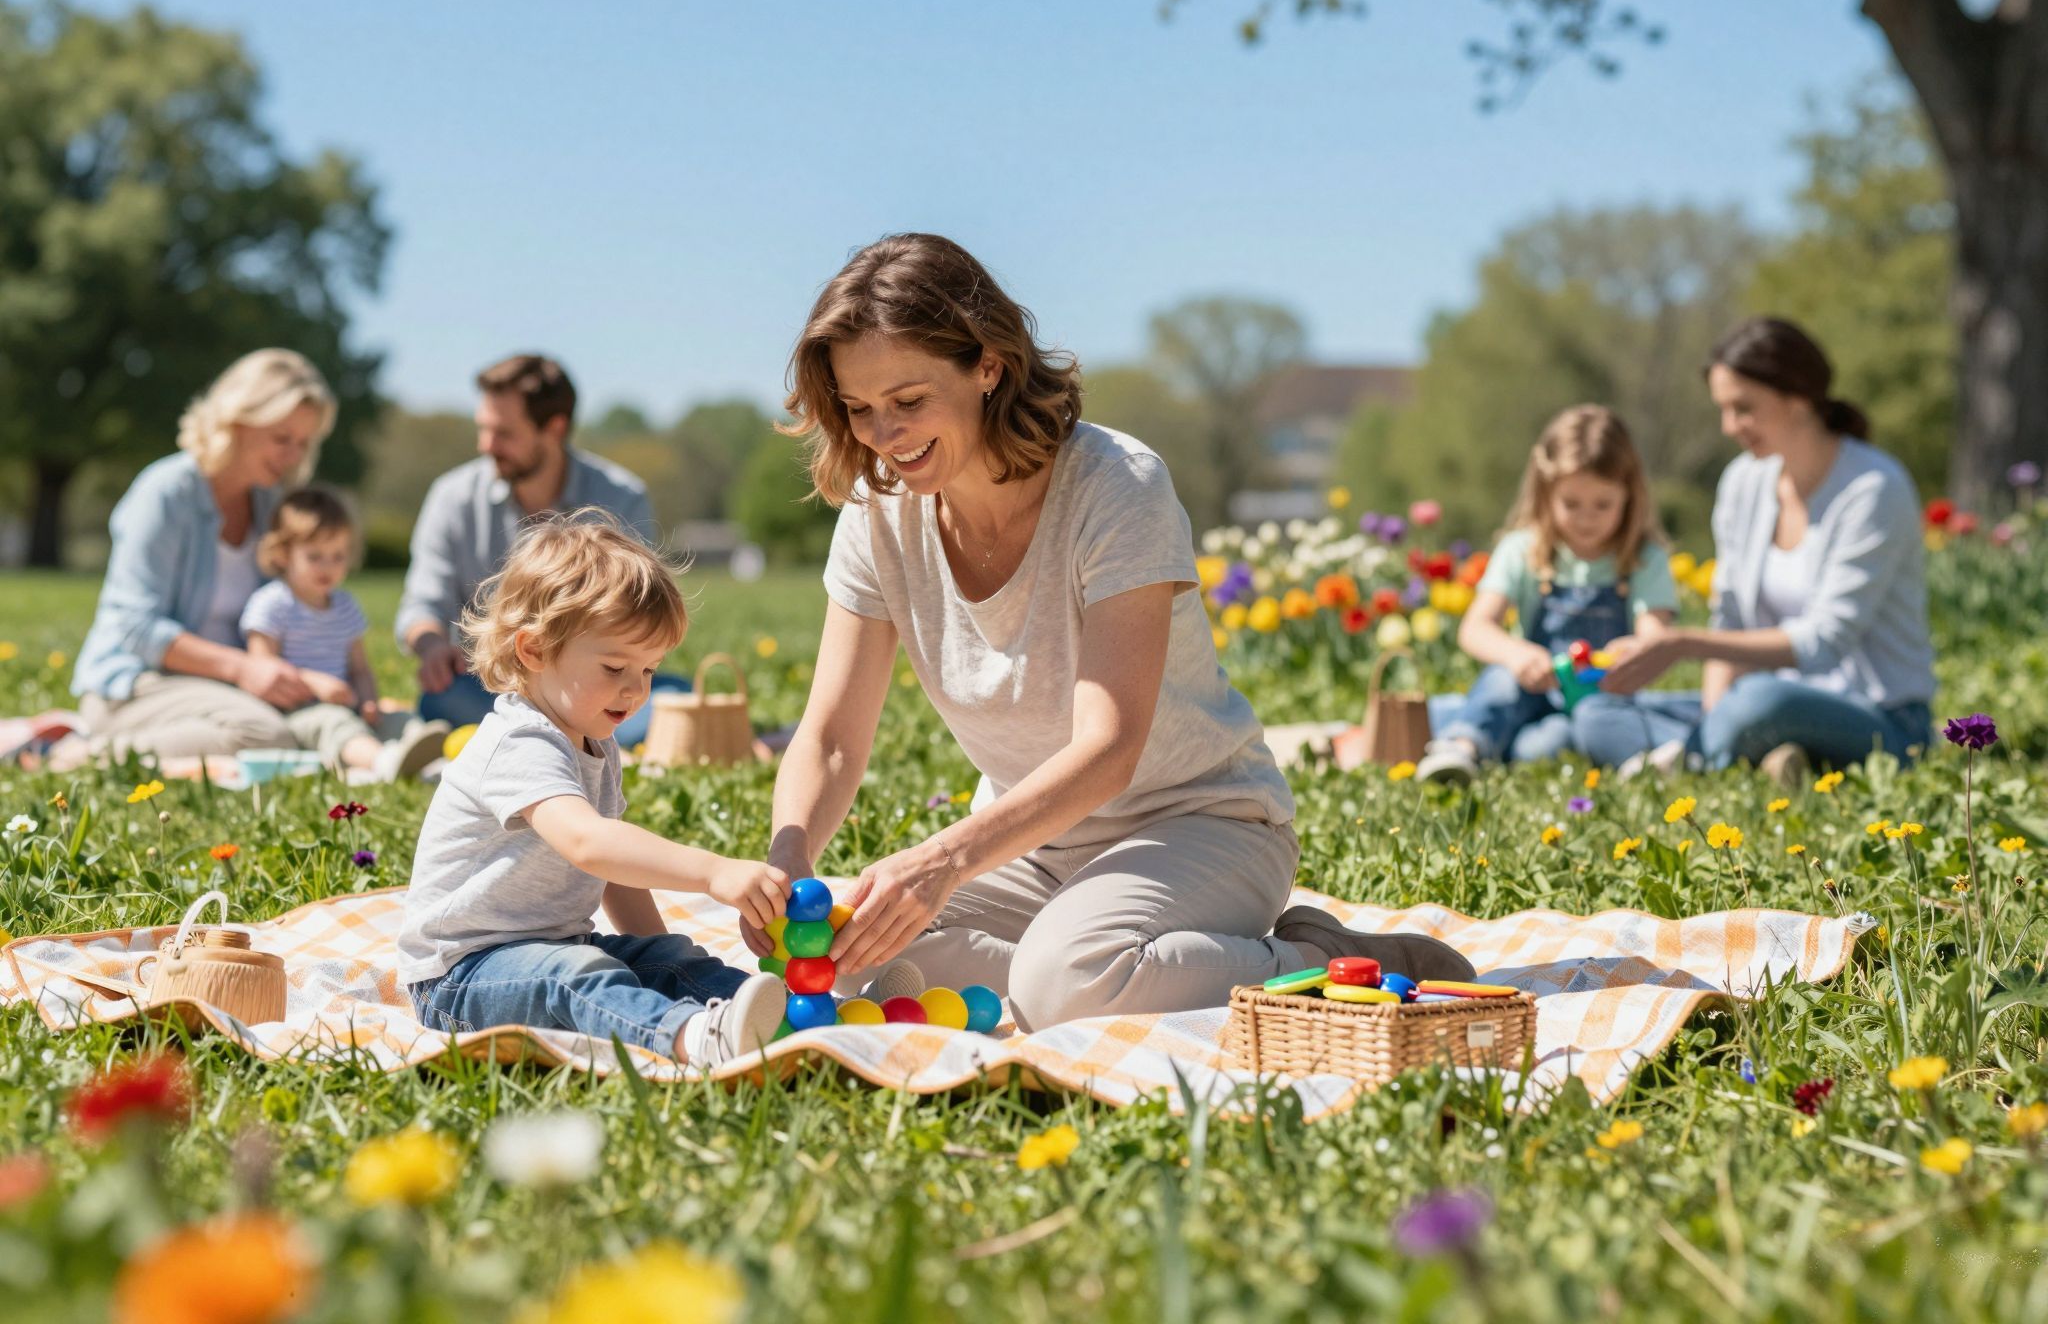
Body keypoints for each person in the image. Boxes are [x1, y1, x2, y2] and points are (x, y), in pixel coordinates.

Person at [747, 233, 1473, 1031]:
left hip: (1199, 823)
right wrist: (788, 859)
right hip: (1033, 848)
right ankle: (1098, 963)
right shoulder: (878, 516)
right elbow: (832, 740)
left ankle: (1334, 960)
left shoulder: (1117, 486)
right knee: (862, 959)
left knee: (1071, 982)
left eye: (909, 401)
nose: (883, 434)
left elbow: (1109, 749)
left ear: (988, 364)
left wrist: (945, 861)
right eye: (859, 409)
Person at [398, 515, 790, 1066]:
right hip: (462, 978)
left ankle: (791, 1016)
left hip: (553, 951)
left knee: (664, 958)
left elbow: (612, 875)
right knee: (578, 978)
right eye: (614, 666)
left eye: (650, 670)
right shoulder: (519, 742)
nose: (636, 690)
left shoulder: (594, 742)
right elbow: (589, 844)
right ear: (533, 651)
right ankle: (692, 1038)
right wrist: (712, 870)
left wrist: (657, 961)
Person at [1592, 317, 1935, 782]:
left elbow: (1826, 641)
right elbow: (1729, 619)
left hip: (1880, 718)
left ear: (1798, 398)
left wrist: (1680, 643)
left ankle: (1700, 760)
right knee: (1600, 711)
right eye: (1723, 409)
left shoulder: (1873, 488)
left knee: (1760, 704)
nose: (1729, 426)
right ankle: (1763, 755)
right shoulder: (1743, 482)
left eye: (1743, 408)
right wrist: (1718, 714)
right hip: (1761, 700)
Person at [395, 354, 682, 747]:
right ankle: (584, 738)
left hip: (594, 685)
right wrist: (431, 648)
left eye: (504, 433)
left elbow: (640, 612)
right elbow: (422, 604)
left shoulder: (620, 497)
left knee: (675, 697)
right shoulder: (453, 497)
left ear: (555, 427)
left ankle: (547, 735)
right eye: (484, 429)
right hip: (490, 686)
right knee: (441, 697)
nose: (486, 445)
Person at [70, 349, 335, 761]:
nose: (294, 457)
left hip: (222, 691)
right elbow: (135, 626)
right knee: (265, 735)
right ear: (237, 422)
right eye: (282, 439)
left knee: (326, 721)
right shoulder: (165, 492)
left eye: (303, 443)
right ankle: (82, 752)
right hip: (135, 687)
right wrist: (242, 669)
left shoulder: (270, 505)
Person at [1417, 406, 1684, 781]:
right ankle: (1463, 747)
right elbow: (1475, 628)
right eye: (1570, 504)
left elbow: (1655, 636)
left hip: (1601, 702)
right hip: (1532, 693)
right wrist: (1517, 654)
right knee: (1501, 681)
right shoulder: (1523, 549)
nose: (1586, 517)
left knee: (1545, 747)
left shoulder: (1643, 559)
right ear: (1545, 494)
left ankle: (1491, 739)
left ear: (1629, 495)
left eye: (1602, 504)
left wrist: (1634, 653)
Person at [239, 488, 450, 780]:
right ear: (283, 554)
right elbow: (260, 668)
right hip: (296, 712)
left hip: (347, 703)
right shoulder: (271, 604)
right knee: (336, 725)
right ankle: (384, 762)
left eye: (337, 556)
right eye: (315, 556)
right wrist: (313, 683)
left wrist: (368, 701)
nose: (328, 566)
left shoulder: (345, 606)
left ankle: (427, 758)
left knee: (398, 719)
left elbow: (360, 668)